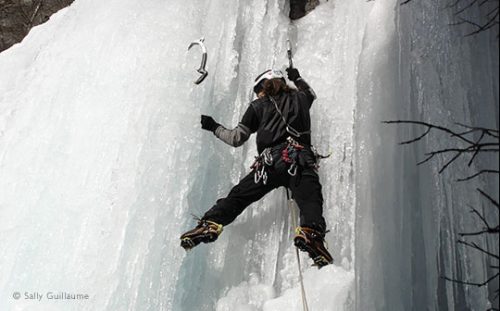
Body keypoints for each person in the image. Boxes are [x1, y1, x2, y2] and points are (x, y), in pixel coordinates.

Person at [180, 68, 333, 268]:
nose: (258, 94)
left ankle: (209, 224)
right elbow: (311, 93)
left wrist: (213, 126)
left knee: (238, 197)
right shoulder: (302, 98)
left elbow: (236, 138)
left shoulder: (257, 106)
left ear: (265, 85)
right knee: (310, 199)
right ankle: (311, 234)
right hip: (299, 160)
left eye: (258, 89)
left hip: (268, 166)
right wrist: (296, 77)